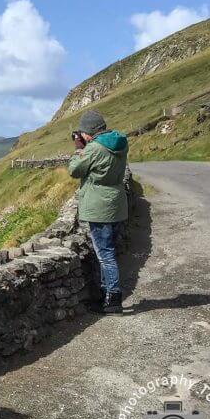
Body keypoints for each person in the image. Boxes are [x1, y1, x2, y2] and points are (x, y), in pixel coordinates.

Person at [69, 110, 129, 314]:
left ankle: (113, 297)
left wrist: (79, 149)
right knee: (107, 250)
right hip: (116, 203)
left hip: (100, 207)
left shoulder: (94, 148)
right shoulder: (120, 143)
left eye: (83, 133)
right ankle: (106, 296)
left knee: (105, 254)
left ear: (89, 131)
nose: (82, 136)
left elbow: (74, 170)